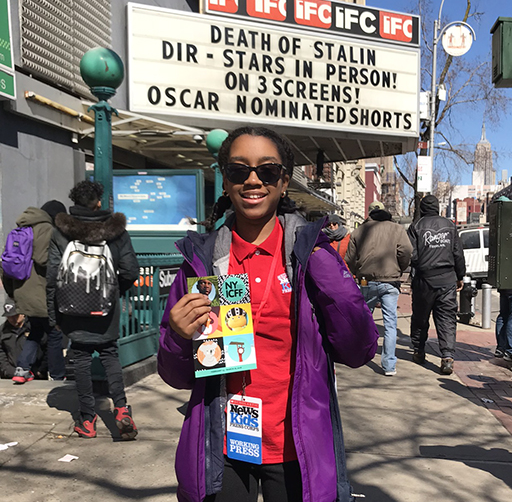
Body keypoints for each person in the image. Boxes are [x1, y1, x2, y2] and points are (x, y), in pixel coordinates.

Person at [158, 126, 378, 502]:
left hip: (296, 447)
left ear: (284, 181)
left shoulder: (310, 256)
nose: (253, 180)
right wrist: (178, 336)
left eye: (268, 170)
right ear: (226, 182)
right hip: (223, 445)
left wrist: (335, 282)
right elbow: (176, 376)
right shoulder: (201, 263)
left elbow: (359, 351)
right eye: (239, 171)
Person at [46, 180, 140, 440]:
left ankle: (87, 420)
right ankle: (121, 410)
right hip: (105, 309)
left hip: (72, 308)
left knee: (82, 358)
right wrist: (112, 292)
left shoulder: (60, 231)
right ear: (98, 202)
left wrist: (55, 316)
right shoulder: (116, 231)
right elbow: (131, 270)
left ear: (74, 203)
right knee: (110, 354)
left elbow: (53, 277)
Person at [2, 200, 67, 383]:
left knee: (36, 330)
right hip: (41, 291)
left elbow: (6, 265)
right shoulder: (45, 228)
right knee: (54, 333)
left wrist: (13, 293)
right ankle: (57, 375)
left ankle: (22, 369)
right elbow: (43, 259)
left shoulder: (21, 228)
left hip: (23, 291)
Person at [345, 200, 412, 376]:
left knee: (362, 320)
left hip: (366, 280)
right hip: (390, 281)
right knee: (390, 324)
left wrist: (355, 272)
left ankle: (358, 355)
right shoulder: (397, 229)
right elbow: (406, 250)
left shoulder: (359, 231)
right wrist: (399, 268)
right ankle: (389, 365)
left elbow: (349, 258)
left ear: (369, 213)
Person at [407, 195, 466, 375]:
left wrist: (419, 265)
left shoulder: (416, 226)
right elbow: (458, 253)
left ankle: (418, 350)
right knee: (447, 318)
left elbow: (412, 254)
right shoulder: (449, 225)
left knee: (420, 317)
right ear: (438, 208)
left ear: (422, 209)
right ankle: (447, 357)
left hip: (424, 279)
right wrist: (460, 275)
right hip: (447, 279)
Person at [0, 300, 46, 379]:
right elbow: (1, 353)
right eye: (9, 317)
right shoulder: (3, 330)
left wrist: (40, 370)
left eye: (15, 316)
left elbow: (46, 348)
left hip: (34, 376)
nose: (12, 319)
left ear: (22, 313)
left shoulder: (34, 328)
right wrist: (9, 371)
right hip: (10, 376)